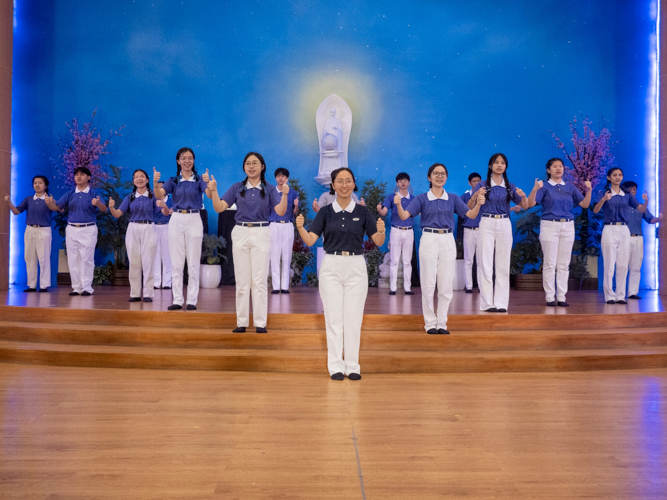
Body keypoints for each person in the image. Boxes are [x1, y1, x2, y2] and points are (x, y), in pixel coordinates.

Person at [297, 167, 385, 380]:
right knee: (334, 318)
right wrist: (300, 227)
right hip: (332, 267)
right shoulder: (326, 212)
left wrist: (381, 230)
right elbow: (310, 240)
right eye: (340, 181)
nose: (344, 185)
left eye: (348, 181)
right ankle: (336, 365)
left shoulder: (363, 212)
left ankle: (352, 365)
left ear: (354, 184)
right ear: (333, 185)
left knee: (353, 318)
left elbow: (378, 241)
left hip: (356, 266)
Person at [395, 163, 485, 334]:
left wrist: (479, 204)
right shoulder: (421, 198)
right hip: (429, 238)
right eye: (436, 173)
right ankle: (430, 323)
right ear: (429, 177)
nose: (439, 176)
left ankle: (442, 322)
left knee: (445, 284)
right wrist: (399, 204)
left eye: (443, 174)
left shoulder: (452, 198)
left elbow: (471, 215)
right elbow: (404, 216)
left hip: (447, 239)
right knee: (428, 283)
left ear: (446, 177)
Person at [208, 152, 289, 333]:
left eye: (255, 163)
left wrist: (284, 195)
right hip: (241, 231)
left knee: (259, 280)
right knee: (242, 280)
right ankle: (242, 322)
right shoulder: (237, 187)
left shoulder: (268, 189)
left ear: (262, 166)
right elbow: (219, 207)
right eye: (248, 163)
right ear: (244, 167)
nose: (251, 166)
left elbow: (281, 211)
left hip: (261, 231)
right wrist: (213, 191)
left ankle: (260, 323)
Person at [526, 158, 592, 306]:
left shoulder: (570, 187)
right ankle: (550, 297)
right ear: (548, 170)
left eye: (560, 166)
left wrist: (589, 190)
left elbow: (585, 204)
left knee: (563, 264)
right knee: (550, 263)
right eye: (555, 167)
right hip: (550, 226)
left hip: (568, 226)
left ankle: (561, 297)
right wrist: (535, 189)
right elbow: (530, 204)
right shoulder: (544, 187)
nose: (558, 169)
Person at [153, 147, 211, 311]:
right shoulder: (173, 180)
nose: (187, 161)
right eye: (183, 158)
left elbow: (210, 195)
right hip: (176, 219)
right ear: (178, 161)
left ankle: (192, 300)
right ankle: (177, 299)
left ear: (194, 160)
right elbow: (159, 195)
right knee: (177, 262)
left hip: (194, 218)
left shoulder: (200, 180)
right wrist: (155, 183)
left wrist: (210, 184)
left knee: (193, 262)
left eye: (190, 158)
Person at [469, 153, 529, 312]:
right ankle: (487, 303)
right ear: (490, 166)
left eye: (503, 163)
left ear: (506, 167)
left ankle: (501, 303)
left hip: (504, 223)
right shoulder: (482, 185)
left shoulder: (510, 186)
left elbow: (524, 205)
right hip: (487, 222)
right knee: (485, 263)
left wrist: (524, 197)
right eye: (496, 162)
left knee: (503, 264)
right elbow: (469, 205)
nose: (499, 165)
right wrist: (476, 195)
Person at [45, 166, 107, 296]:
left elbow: (104, 209)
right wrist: (49, 203)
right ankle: (76, 288)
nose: (78, 177)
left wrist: (98, 204)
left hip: (88, 228)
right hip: (72, 229)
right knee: (73, 259)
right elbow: (56, 207)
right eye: (76, 175)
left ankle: (87, 288)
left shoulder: (93, 193)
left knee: (87, 258)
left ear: (88, 177)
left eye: (82, 174)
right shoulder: (70, 193)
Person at [593, 168, 647, 304]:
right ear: (609, 177)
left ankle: (620, 295)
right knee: (609, 264)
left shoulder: (627, 195)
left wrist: (645, 201)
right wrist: (604, 199)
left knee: (623, 264)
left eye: (620, 175)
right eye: (615, 175)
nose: (618, 177)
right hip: (609, 228)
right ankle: (609, 295)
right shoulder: (604, 193)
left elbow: (640, 208)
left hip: (624, 229)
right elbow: (595, 210)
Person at [109, 169, 158, 302]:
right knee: (134, 262)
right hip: (133, 228)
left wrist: (165, 205)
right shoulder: (129, 197)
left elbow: (163, 211)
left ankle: (148, 293)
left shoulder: (153, 196)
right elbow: (118, 214)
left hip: (149, 227)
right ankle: (135, 293)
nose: (139, 179)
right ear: (133, 181)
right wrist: (112, 207)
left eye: (142, 176)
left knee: (148, 262)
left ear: (147, 180)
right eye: (136, 177)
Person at [5, 175, 53, 292]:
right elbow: (16, 212)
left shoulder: (49, 199)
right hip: (30, 229)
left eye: (40, 183)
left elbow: (57, 209)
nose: (37, 185)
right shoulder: (28, 199)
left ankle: (44, 285)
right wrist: (9, 202)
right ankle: (31, 285)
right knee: (29, 257)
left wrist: (51, 202)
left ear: (45, 185)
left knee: (43, 258)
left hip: (44, 230)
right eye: (35, 183)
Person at [620, 181, 662, 300]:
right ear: (625, 190)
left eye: (635, 189)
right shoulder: (621, 204)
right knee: (623, 266)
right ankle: (620, 293)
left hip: (638, 237)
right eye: (631, 189)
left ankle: (633, 292)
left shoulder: (640, 205)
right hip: (624, 237)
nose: (634, 191)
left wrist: (660, 218)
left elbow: (650, 219)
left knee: (636, 266)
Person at [377, 172, 415, 295]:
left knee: (407, 261)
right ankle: (393, 288)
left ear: (408, 183)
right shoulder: (391, 197)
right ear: (397, 183)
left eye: (405, 180)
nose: (403, 183)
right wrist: (379, 209)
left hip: (409, 230)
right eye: (400, 181)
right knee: (394, 260)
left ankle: (407, 288)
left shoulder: (414, 199)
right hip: (396, 230)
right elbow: (383, 212)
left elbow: (420, 213)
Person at [269, 168, 299, 294]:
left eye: (283, 176)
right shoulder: (271, 193)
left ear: (287, 178)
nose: (280, 178)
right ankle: (276, 287)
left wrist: (296, 205)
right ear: (276, 178)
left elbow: (295, 212)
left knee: (286, 256)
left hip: (287, 225)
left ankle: (285, 286)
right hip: (274, 224)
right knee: (274, 255)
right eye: (278, 176)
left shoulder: (293, 193)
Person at [459, 172, 482, 293]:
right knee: (468, 259)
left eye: (479, 181)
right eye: (474, 181)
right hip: (469, 229)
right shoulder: (464, 196)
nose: (477, 183)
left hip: (482, 230)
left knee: (481, 260)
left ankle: (480, 285)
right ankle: (468, 286)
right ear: (470, 183)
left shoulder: (484, 196)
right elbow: (462, 212)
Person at [153, 181, 172, 290]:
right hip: (154, 227)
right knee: (155, 255)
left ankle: (167, 282)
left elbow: (173, 213)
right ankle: (156, 282)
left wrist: (166, 209)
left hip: (166, 226)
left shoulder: (171, 201)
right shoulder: (153, 201)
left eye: (162, 188)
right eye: (157, 188)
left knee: (167, 255)